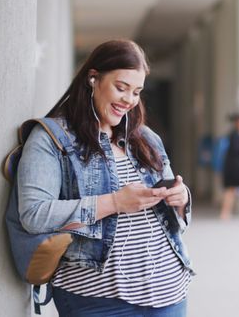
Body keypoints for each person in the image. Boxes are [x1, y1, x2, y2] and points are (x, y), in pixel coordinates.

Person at [17, 39, 193, 316]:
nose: (129, 100)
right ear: (93, 78)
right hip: (96, 300)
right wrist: (114, 202)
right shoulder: (52, 139)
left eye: (136, 92)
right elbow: (33, 213)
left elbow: (174, 214)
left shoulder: (145, 137)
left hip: (168, 292)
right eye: (121, 88)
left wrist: (180, 199)